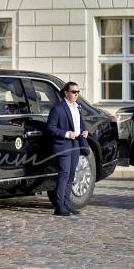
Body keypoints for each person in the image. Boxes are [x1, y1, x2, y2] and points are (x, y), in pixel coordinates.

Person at [46, 82, 90, 216]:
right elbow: (50, 127)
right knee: (64, 174)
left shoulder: (78, 107)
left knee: (71, 175)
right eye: (73, 92)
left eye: (78, 92)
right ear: (66, 92)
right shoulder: (58, 108)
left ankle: (66, 203)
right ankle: (59, 206)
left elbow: (80, 124)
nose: (76, 94)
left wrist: (84, 132)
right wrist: (65, 133)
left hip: (75, 144)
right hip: (63, 145)